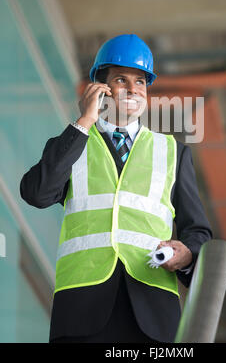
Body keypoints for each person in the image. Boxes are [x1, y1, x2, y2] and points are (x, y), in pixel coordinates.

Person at [20, 33, 212, 343]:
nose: (134, 89)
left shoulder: (173, 152)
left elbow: (198, 231)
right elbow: (36, 194)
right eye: (122, 79)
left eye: (141, 81)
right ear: (100, 87)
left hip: (153, 309)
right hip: (81, 309)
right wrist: (85, 121)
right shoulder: (72, 143)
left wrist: (187, 253)